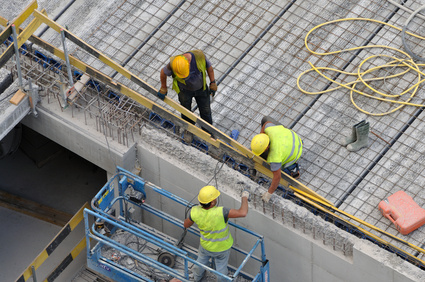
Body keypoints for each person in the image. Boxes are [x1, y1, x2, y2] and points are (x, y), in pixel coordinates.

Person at [184, 185, 249, 282]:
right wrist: (245, 197)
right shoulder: (221, 212)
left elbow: (186, 225)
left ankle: (196, 278)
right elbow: (243, 213)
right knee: (221, 269)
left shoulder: (195, 212)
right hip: (222, 248)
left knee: (200, 263)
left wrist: (195, 215)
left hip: (206, 246)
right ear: (213, 202)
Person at [157, 50, 217, 135]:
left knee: (205, 110)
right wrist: (163, 87)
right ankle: (189, 129)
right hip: (184, 91)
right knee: (185, 112)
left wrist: (213, 83)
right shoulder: (175, 64)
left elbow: (209, 68)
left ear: (188, 63)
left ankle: (207, 132)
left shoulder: (199, 57)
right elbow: (163, 72)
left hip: (201, 89)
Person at [251, 116, 303, 203]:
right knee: (265, 118)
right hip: (291, 136)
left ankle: (292, 169)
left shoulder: (274, 156)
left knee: (274, 166)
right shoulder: (269, 129)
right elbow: (266, 123)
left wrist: (269, 193)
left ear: (266, 147)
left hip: (296, 150)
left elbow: (277, 177)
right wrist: (261, 137)